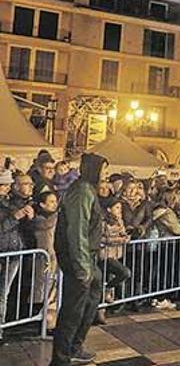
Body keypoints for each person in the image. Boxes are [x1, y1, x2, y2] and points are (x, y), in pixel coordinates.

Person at [50, 153, 108, 366]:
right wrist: (83, 268)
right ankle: (61, 358)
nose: (106, 175)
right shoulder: (82, 191)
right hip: (78, 259)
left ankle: (75, 347)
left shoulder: (88, 190)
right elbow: (77, 231)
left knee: (89, 302)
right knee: (73, 310)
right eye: (104, 170)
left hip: (87, 258)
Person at [0, 170, 34, 341]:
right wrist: (16, 217)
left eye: (6, 185)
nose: (5, 189)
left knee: (5, 293)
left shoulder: (10, 203)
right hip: (5, 252)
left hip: (14, 252)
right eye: (3, 185)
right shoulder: (10, 205)